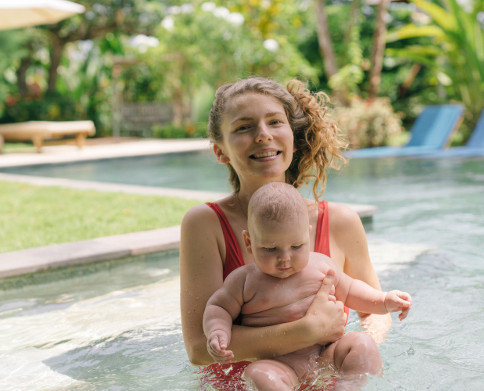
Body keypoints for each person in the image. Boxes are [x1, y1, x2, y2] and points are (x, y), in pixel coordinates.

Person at [180, 77, 392, 384]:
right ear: (220, 151)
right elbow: (199, 349)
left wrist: (354, 356)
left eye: (274, 122)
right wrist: (304, 332)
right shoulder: (206, 224)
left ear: (292, 136)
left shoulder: (341, 221)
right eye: (244, 127)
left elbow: (375, 312)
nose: (263, 135)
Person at [203, 182, 412, 390]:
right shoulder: (243, 281)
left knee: (364, 345)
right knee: (259, 374)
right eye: (270, 248)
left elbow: (350, 290)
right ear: (249, 241)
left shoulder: (321, 265)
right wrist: (218, 331)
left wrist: (384, 300)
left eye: (296, 246)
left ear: (307, 235)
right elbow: (218, 307)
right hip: (280, 364)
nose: (284, 258)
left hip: (326, 354)